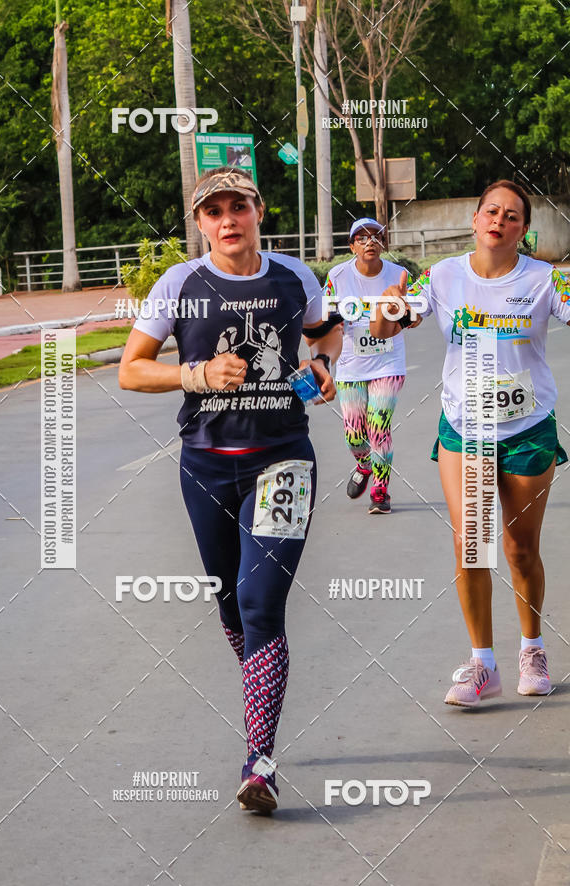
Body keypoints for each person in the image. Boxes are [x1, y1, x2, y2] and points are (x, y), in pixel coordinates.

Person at [118, 167, 342, 810]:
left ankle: (259, 762)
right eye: (213, 211)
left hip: (284, 462)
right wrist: (197, 374)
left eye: (237, 206)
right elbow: (133, 370)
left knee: (259, 603)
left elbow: (326, 329)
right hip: (207, 466)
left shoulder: (293, 276)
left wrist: (323, 361)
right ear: (199, 223)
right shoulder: (179, 284)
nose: (227, 220)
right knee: (231, 610)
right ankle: (258, 689)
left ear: (259, 210)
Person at [372, 180, 569, 707]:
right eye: (490, 211)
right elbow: (386, 328)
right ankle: (483, 663)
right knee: (471, 542)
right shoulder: (442, 276)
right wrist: (389, 306)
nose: (498, 220)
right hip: (466, 429)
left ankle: (532, 648)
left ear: (523, 230)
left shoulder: (548, 280)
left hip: (528, 428)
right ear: (476, 218)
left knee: (520, 548)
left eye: (511, 215)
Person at [324, 218, 409, 513]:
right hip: (350, 364)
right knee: (355, 434)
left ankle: (380, 491)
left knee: (378, 425)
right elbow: (327, 317)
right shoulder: (337, 275)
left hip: (388, 362)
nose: (370, 242)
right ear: (352, 246)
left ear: (383, 243)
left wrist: (404, 312)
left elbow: (409, 319)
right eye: (362, 238)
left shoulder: (399, 275)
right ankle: (363, 463)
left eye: (376, 236)